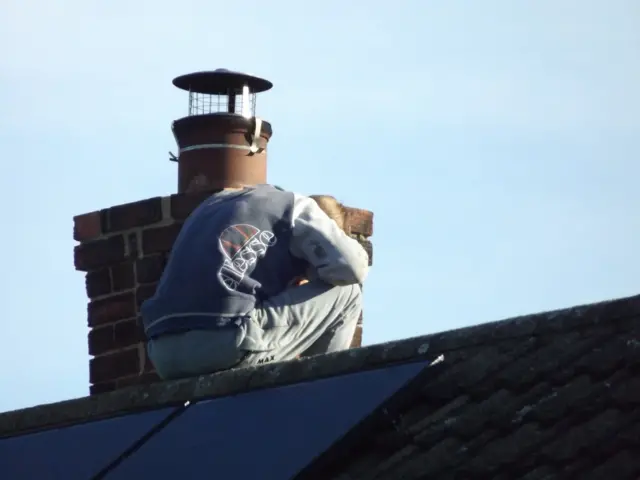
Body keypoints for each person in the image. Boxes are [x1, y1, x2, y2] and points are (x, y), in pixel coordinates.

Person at [141, 184, 369, 380]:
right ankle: (323, 394)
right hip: (225, 342)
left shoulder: (211, 205)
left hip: (162, 352)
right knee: (348, 291)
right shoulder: (295, 208)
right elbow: (353, 266)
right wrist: (317, 274)